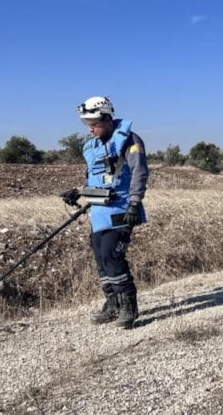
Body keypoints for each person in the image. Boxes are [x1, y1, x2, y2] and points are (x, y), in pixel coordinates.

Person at [74, 96, 149, 328]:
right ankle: (112, 303)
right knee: (101, 259)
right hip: (99, 213)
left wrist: (135, 202)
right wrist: (78, 192)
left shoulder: (130, 140)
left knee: (112, 256)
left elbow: (139, 172)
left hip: (122, 209)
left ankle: (128, 307)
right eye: (87, 123)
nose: (90, 128)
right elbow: (98, 180)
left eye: (94, 123)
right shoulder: (94, 146)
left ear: (107, 119)